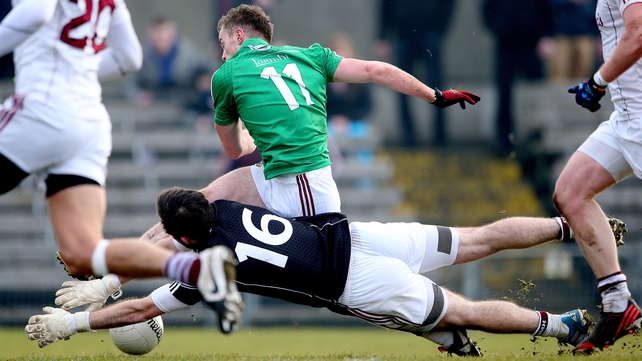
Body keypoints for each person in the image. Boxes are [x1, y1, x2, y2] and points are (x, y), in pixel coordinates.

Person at [28, 186, 594, 356]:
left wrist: (73, 325)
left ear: (182, 238)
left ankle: (562, 325)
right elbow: (177, 224)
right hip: (355, 234)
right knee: (477, 239)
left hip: (351, 282)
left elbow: (142, 309)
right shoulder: (222, 206)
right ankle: (572, 226)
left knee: (462, 312)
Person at [0, 0, 242, 334]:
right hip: (88, 121)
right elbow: (129, 57)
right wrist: (78, 70)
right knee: (82, 253)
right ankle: (198, 270)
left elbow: (37, 12)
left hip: (41, 107)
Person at [202, 4, 480, 221]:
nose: (223, 54)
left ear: (238, 36)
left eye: (223, 43)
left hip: (300, 189)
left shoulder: (226, 74)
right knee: (207, 200)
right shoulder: (312, 56)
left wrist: (249, 138)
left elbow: (234, 150)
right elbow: (378, 70)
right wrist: (436, 96)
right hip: (303, 184)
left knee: (213, 216)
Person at [555, 0, 642, 353]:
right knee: (571, 193)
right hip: (626, 116)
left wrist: (599, 80)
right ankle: (618, 305)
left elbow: (637, 33)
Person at [375, 0, 455, 147]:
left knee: (436, 86)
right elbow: (386, 4)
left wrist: (441, 29)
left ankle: (440, 135)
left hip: (430, 32)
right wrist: (383, 35)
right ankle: (408, 136)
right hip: (403, 33)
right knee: (402, 85)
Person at [482, 0, 554, 154]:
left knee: (535, 93)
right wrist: (499, 28)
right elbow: (487, 9)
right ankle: (504, 139)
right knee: (504, 93)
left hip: (532, 44)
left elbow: (547, 7)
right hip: (506, 43)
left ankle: (535, 136)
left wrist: (547, 35)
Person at [125, 17, 213, 107]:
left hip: (185, 102)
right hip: (154, 104)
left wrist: (203, 80)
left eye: (164, 34)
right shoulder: (141, 56)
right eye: (157, 35)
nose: (160, 38)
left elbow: (206, 69)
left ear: (173, 35)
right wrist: (139, 95)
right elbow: (131, 83)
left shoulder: (188, 53)